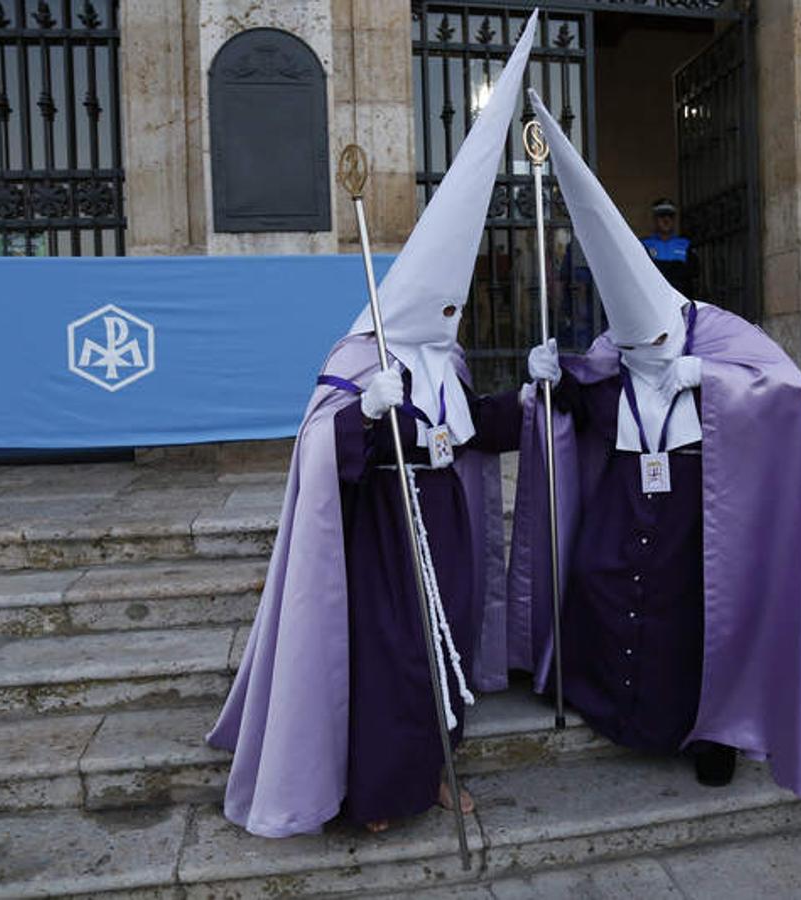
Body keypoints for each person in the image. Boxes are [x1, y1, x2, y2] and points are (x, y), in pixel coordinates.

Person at [205, 12, 539, 837]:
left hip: (449, 523)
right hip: (384, 533)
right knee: (391, 662)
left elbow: (472, 433)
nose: (452, 314)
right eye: (442, 303)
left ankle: (434, 772)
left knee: (447, 645)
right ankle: (377, 792)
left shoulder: (448, 362)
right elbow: (319, 445)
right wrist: (365, 409)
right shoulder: (361, 355)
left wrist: (534, 399)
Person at [508, 89, 801, 798]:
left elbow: (788, 398)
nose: (639, 353)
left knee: (693, 613)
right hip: (626, 493)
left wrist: (709, 380)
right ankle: (611, 707)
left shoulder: (717, 337)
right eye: (629, 344)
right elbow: (588, 406)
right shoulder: (614, 351)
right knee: (602, 585)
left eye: (649, 343)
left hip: (698, 503)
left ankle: (712, 731)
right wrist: (549, 380)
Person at [641, 198, 699, 297]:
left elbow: (694, 273)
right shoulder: (644, 244)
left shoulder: (685, 245)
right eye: (662, 215)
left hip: (680, 301)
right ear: (655, 219)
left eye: (670, 216)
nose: (666, 219)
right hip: (653, 297)